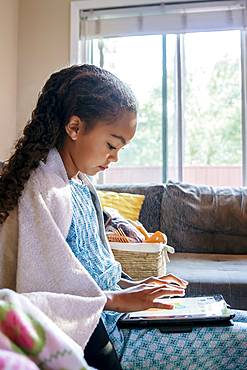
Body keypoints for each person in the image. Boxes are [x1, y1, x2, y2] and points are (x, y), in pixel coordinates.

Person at [0, 64, 246, 370]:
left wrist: (136, 287)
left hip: (118, 316)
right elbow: (43, 294)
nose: (115, 157)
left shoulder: (79, 183)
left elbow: (93, 273)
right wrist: (120, 300)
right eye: (112, 144)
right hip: (104, 333)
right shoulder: (43, 186)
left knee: (233, 317)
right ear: (74, 127)